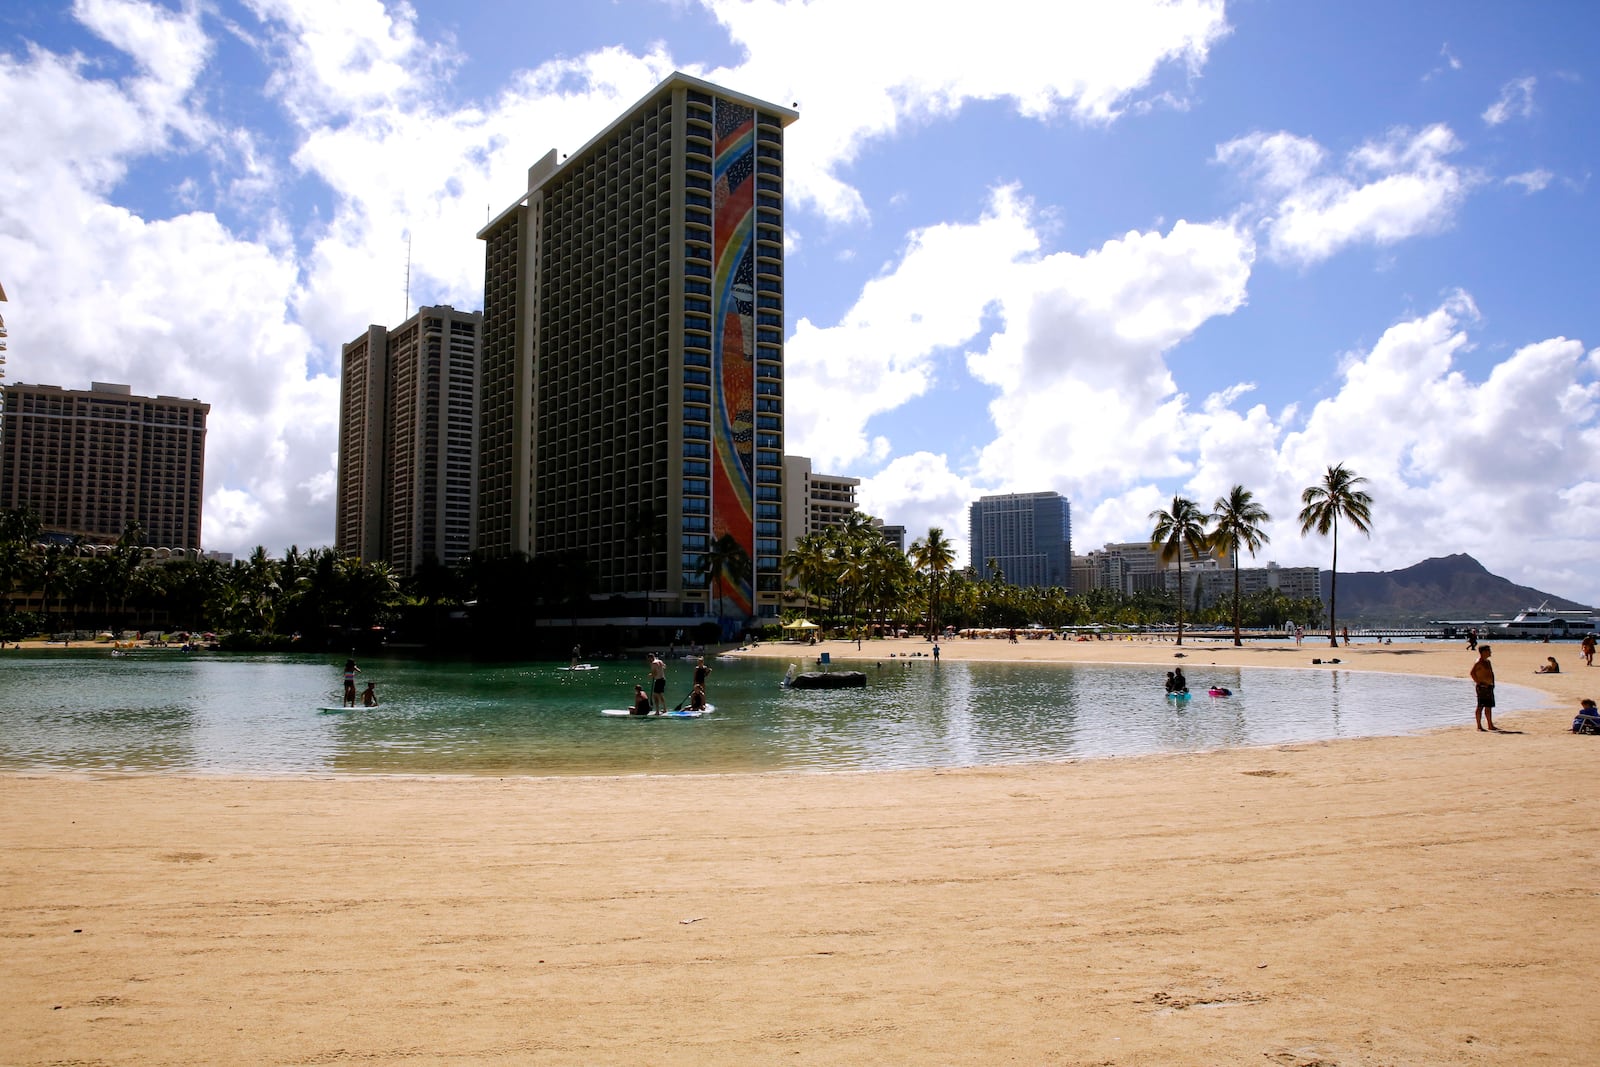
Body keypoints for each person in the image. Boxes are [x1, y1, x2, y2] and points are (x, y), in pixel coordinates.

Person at [1470, 645, 1496, 732]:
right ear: (1484, 652)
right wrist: (1479, 683)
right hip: (1482, 687)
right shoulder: (1479, 662)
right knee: (1480, 706)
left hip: (1489, 686)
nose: (1490, 652)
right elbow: (1472, 673)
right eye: (1489, 650)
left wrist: (1493, 683)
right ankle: (1479, 726)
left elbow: (1491, 673)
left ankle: (1490, 724)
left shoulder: (1488, 661)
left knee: (1489, 706)